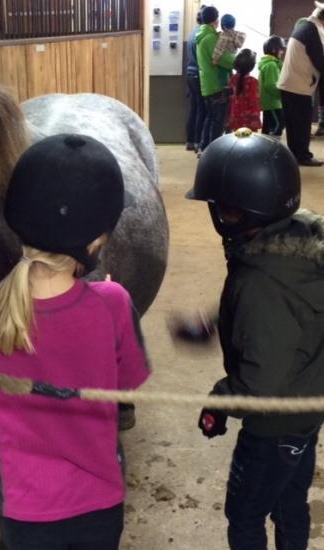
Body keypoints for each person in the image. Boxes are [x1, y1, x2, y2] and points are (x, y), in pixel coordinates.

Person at [0, 134, 150, 550]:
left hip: (24, 513)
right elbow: (128, 382)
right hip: (100, 507)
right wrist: (113, 304)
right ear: (96, 242)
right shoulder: (113, 303)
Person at [187, 128, 324, 550]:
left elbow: (262, 379)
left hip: (274, 423)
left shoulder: (257, 281)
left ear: (235, 214)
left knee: (245, 515)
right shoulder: (300, 241)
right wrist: (219, 320)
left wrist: (220, 400)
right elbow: (289, 309)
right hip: (307, 405)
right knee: (289, 500)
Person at [278, 2, 324, 166]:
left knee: (294, 124)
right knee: (301, 124)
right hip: (298, 85)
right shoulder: (312, 30)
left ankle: (296, 155)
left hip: (291, 83)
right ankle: (303, 156)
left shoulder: (306, 26)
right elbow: (320, 60)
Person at [196, 6, 235, 152]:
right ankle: (214, 152)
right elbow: (221, 59)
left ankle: (204, 147)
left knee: (210, 117)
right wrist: (236, 61)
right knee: (217, 121)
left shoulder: (201, 35)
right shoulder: (211, 37)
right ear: (215, 20)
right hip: (216, 83)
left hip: (206, 83)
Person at [186, 5, 207, 153]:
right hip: (199, 74)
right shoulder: (202, 35)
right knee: (202, 109)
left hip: (190, 73)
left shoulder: (193, 32)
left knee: (194, 108)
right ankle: (199, 141)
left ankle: (190, 140)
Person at [227, 49, 261, 132]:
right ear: (252, 66)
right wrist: (255, 117)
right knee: (249, 141)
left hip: (235, 115)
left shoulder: (233, 78)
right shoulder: (252, 81)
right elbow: (253, 101)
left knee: (237, 139)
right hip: (249, 119)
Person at [259, 35, 286, 136]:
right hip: (273, 103)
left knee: (267, 127)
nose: (282, 52)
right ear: (274, 50)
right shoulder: (271, 65)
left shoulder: (270, 63)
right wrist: (281, 94)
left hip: (269, 103)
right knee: (278, 126)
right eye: (281, 50)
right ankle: (273, 148)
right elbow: (271, 85)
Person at [212, 14, 246, 91]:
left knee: (222, 76)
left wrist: (215, 60)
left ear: (223, 26)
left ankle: (225, 89)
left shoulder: (224, 35)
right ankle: (232, 87)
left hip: (225, 60)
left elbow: (219, 48)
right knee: (231, 75)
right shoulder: (237, 35)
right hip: (233, 58)